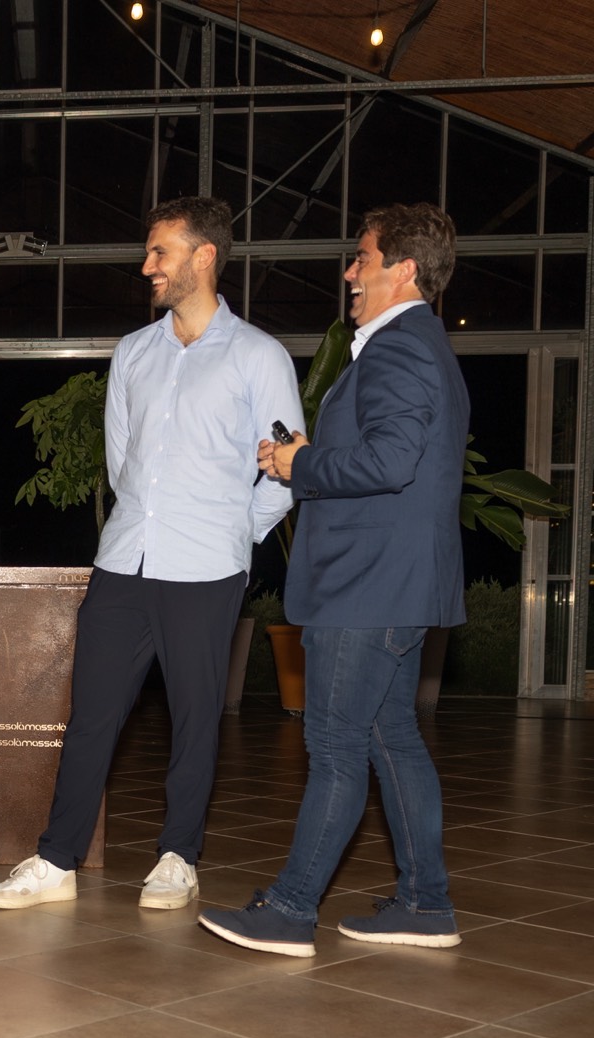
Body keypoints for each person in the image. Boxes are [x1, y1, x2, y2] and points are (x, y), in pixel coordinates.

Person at [0, 197, 303, 912]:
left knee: (195, 719)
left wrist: (233, 535)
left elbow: (285, 468)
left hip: (207, 567)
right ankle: (56, 859)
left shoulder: (259, 356)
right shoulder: (133, 352)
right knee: (91, 716)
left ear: (204, 256)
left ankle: (177, 857)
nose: (147, 265)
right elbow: (122, 461)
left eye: (161, 252)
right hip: (124, 560)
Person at [199, 203, 469, 957]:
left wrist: (301, 463)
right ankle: (426, 903)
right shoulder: (421, 346)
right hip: (395, 583)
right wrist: (312, 453)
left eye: (363, 259)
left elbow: (390, 462)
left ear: (403, 270)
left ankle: (290, 910)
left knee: (335, 745)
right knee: (393, 738)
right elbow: (394, 456)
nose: (350, 272)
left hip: (366, 585)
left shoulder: (399, 349)